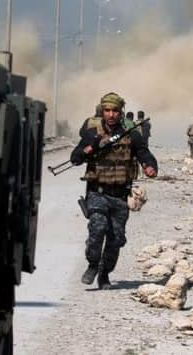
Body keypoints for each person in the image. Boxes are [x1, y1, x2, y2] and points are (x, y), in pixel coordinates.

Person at [71, 92, 158, 289]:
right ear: (103, 111)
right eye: (107, 110)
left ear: (121, 113)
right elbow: (75, 158)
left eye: (115, 111)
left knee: (116, 239)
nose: (111, 115)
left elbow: (144, 153)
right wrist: (88, 149)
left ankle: (104, 275)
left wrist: (149, 166)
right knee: (97, 229)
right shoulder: (92, 133)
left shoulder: (131, 135)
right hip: (97, 192)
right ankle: (93, 264)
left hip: (120, 195)